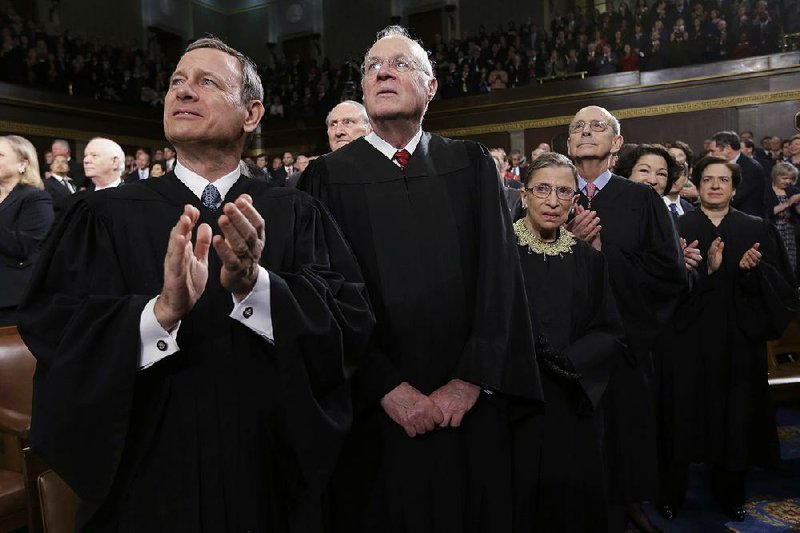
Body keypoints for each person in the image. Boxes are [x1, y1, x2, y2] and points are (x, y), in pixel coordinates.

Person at [17, 37, 373, 532]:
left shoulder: (296, 212)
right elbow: (56, 328)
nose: (183, 92)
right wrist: (159, 313)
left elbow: (347, 324)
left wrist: (256, 288)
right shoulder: (102, 215)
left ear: (252, 114)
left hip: (268, 470)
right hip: (147, 470)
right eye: (176, 82)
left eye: (207, 82)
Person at [299, 25, 542, 533]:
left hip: (468, 406)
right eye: (372, 67)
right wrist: (385, 386)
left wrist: (472, 377)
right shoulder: (324, 178)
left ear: (431, 87)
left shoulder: (470, 164)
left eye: (400, 64)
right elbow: (321, 294)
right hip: (373, 411)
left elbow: (501, 280)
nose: (383, 72)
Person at [565, 106, 686, 533]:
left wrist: (601, 255)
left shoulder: (642, 199)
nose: (585, 132)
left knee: (625, 432)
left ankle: (629, 502)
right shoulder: (551, 194)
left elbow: (669, 272)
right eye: (577, 127)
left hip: (626, 338)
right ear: (567, 144)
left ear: (617, 144)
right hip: (566, 345)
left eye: (597, 126)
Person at [660, 156, 799, 521]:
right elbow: (664, 290)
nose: (716, 186)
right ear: (697, 185)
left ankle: (731, 495)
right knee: (683, 417)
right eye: (708, 179)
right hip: (689, 342)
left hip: (740, 342)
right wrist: (705, 271)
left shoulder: (757, 229)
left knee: (735, 420)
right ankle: (672, 495)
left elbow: (782, 290)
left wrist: (752, 273)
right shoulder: (679, 228)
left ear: (735, 188)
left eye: (724, 180)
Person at [512, 152, 624, 533]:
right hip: (513, 401)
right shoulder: (498, 254)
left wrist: (571, 360)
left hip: (571, 399)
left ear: (575, 201)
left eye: (564, 191)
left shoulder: (589, 260)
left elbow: (609, 328)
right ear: (524, 195)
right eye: (542, 189)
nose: (553, 201)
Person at [0, 135, 54, 326]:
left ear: (23, 163)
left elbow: (24, 247)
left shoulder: (36, 199)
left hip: (11, 300)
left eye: (0, 155)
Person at [708, 130, 767, 218]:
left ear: (727, 149)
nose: (710, 155)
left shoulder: (750, 167)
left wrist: (701, 194)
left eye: (713, 151)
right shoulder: (725, 165)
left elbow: (735, 197)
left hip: (748, 223)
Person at [765, 161, 800, 277]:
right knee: (776, 260)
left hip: (789, 230)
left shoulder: (793, 190)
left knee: (791, 262)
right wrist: (788, 203)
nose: (788, 181)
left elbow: (798, 213)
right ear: (776, 176)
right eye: (785, 178)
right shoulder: (766, 191)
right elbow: (768, 212)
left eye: (790, 178)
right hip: (773, 230)